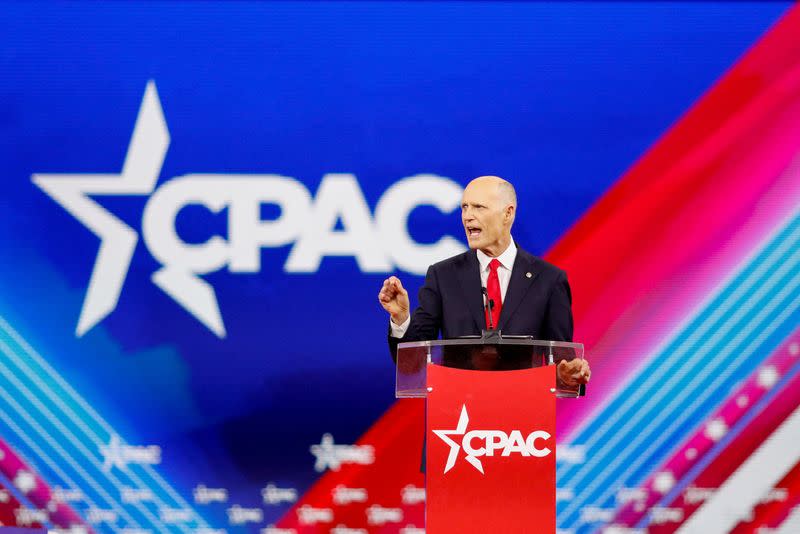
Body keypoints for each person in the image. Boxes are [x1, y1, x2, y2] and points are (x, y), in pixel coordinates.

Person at [378, 175, 590, 386]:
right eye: (464, 207)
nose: (467, 216)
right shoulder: (443, 276)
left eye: (479, 207)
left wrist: (568, 374)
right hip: (458, 412)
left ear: (508, 213)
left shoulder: (548, 280)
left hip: (524, 412)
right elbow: (412, 364)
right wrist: (401, 319)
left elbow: (563, 362)